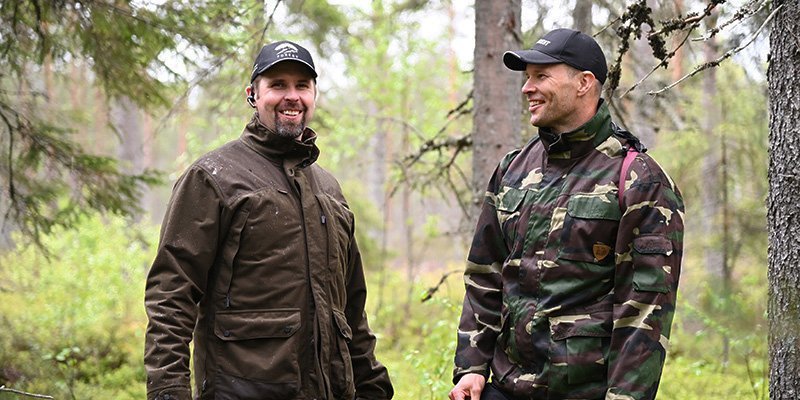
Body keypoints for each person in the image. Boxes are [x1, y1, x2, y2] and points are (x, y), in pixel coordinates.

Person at [144, 40, 394, 400]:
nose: (292, 96)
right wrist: (168, 390)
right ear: (253, 94)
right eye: (278, 85)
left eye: (302, 86)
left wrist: (372, 387)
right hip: (240, 390)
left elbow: (351, 309)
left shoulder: (328, 190)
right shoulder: (214, 177)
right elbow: (171, 293)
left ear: (314, 95)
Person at [449, 28, 684, 400]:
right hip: (503, 388)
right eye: (527, 78)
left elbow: (644, 311)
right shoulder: (513, 169)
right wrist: (472, 367)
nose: (527, 88)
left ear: (584, 83)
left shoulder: (639, 180)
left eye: (541, 76)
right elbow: (486, 274)